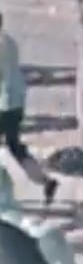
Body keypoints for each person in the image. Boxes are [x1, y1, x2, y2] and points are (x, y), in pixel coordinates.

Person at [0, 13, 58, 203]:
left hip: (2, 104)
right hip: (15, 102)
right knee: (15, 146)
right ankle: (44, 180)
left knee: (14, 147)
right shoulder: (8, 41)